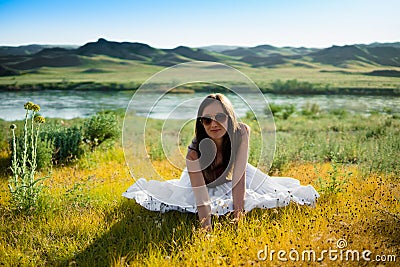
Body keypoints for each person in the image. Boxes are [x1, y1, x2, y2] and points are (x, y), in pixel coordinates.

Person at [123, 93, 319, 231]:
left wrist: (238, 215)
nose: (213, 124)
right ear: (201, 123)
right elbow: (200, 196)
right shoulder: (194, 155)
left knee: (271, 193)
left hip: (232, 175)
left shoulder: (241, 132)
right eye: (206, 120)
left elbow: (239, 176)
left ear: (229, 116)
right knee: (185, 202)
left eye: (219, 117)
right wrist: (206, 227)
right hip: (203, 182)